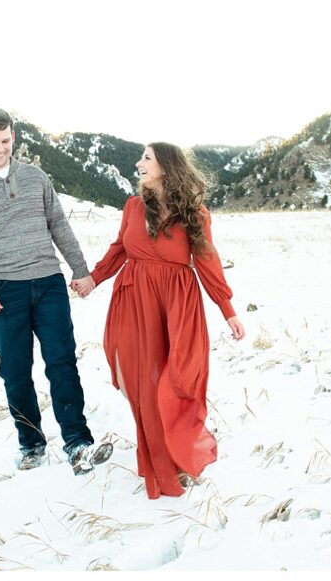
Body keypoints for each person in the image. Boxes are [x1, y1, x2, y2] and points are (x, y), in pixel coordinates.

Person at [71, 142, 245, 498]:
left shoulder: (194, 213)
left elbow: (208, 262)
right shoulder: (134, 206)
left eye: (146, 158)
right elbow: (120, 248)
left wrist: (227, 310)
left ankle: (180, 457)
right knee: (144, 385)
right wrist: (94, 278)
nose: (139, 163)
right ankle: (160, 468)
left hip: (177, 306)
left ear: (167, 166)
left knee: (175, 384)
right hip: (134, 302)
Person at [0, 107, 113, 475]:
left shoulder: (37, 178)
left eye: (6, 141)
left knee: (62, 363)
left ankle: (78, 443)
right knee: (16, 371)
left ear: (13, 138)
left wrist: (81, 269)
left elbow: (60, 226)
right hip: (4, 290)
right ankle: (31, 444)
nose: (0, 148)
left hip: (49, 283)